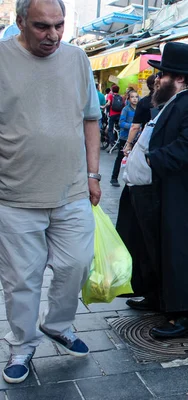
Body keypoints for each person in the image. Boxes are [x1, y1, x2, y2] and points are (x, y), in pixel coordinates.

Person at [0, 0, 101, 384]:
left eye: (59, 25)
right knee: (21, 280)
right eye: (43, 26)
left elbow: (90, 119)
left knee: (76, 264)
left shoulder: (76, 59)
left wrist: (93, 174)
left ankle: (58, 324)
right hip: (14, 197)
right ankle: (22, 345)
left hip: (72, 190)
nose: (53, 35)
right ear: (21, 22)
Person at [116, 42, 188, 339]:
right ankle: (157, 297)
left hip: (183, 198)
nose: (156, 80)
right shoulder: (169, 104)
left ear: (178, 78)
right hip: (154, 193)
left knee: (181, 254)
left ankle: (186, 317)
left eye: (162, 75)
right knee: (155, 249)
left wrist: (154, 159)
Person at [110, 90, 138, 187]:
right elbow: (121, 123)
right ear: (129, 99)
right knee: (120, 157)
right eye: (132, 97)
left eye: (136, 97)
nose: (135, 99)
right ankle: (114, 178)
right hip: (125, 137)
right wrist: (133, 126)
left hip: (136, 138)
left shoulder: (139, 110)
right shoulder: (126, 109)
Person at [123, 75, 156, 156]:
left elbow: (135, 127)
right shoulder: (171, 100)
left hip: (147, 138)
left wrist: (128, 144)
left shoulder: (143, 102)